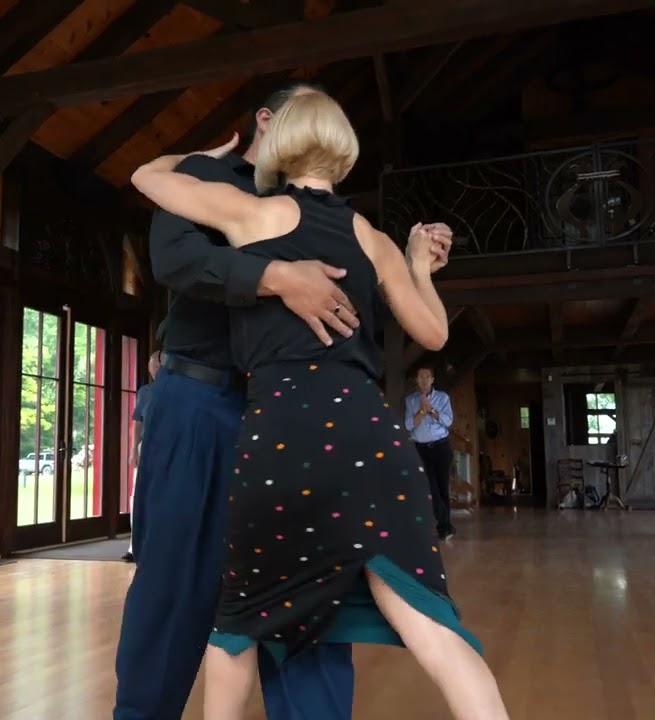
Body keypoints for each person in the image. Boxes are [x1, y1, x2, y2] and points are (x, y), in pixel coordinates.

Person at [130, 90, 509, 720]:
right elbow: (435, 333)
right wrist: (419, 266)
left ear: (280, 141)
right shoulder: (373, 238)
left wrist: (197, 156)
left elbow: (145, 178)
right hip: (370, 437)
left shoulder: (253, 214)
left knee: (237, 627)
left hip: (281, 434)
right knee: (433, 627)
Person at [113, 81, 367, 720]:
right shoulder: (205, 176)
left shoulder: (319, 210)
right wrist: (276, 277)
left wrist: (417, 263)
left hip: (291, 414)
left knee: (307, 587)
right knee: (174, 581)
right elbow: (175, 259)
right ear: (267, 120)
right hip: (197, 403)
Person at [405, 366, 456, 541]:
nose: (424, 380)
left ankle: (445, 528)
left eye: (427, 376)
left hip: (441, 447)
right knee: (430, 488)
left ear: (432, 380)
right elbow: (408, 425)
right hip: (421, 449)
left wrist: (432, 411)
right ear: (417, 380)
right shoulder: (411, 400)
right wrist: (422, 410)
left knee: (442, 489)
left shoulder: (442, 398)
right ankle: (445, 525)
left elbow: (448, 421)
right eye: (421, 377)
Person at [123, 350, 162, 563]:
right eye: (151, 362)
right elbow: (138, 422)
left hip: (168, 447)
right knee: (138, 495)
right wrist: (133, 450)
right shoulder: (145, 392)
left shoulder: (176, 392)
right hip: (147, 447)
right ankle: (134, 546)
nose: (152, 367)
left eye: (154, 362)